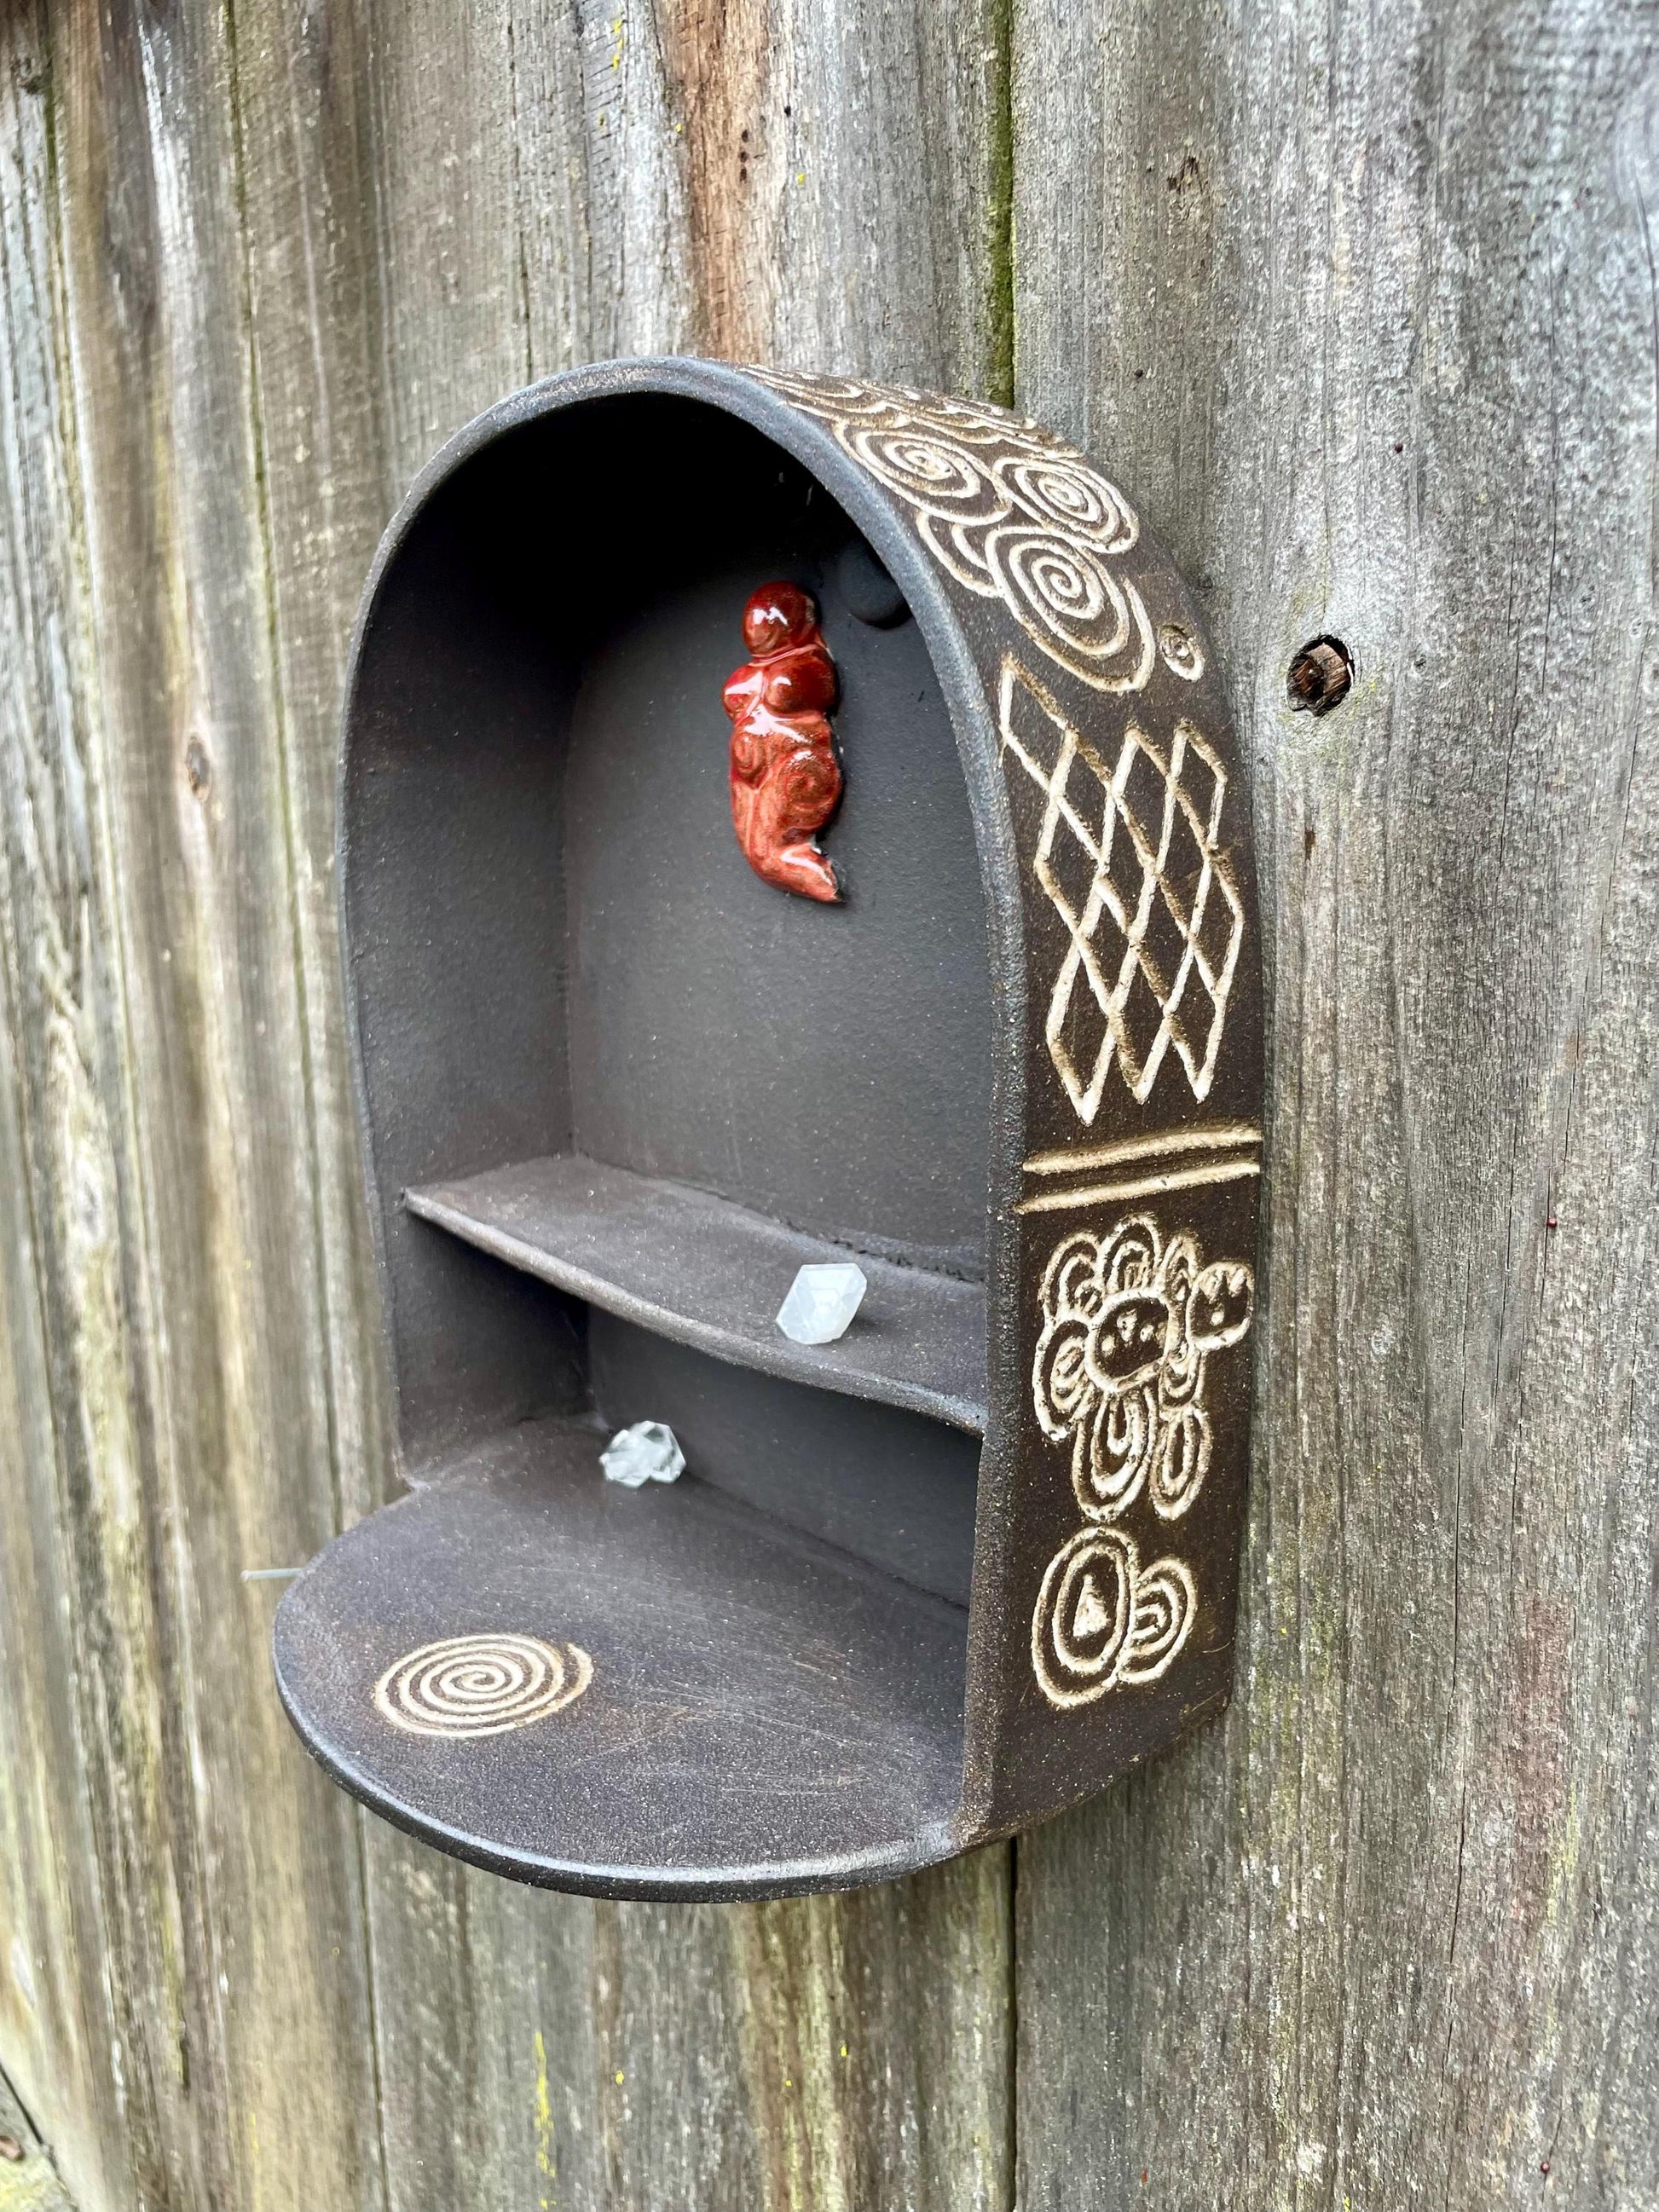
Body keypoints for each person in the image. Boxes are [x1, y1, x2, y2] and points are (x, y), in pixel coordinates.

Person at [722, 581, 843, 903]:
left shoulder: (811, 662)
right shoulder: (749, 672)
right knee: (755, 840)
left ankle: (802, 869)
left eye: (769, 616)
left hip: (793, 763)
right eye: (754, 618)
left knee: (773, 841)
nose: (758, 625)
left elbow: (811, 689)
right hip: (750, 765)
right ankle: (784, 866)